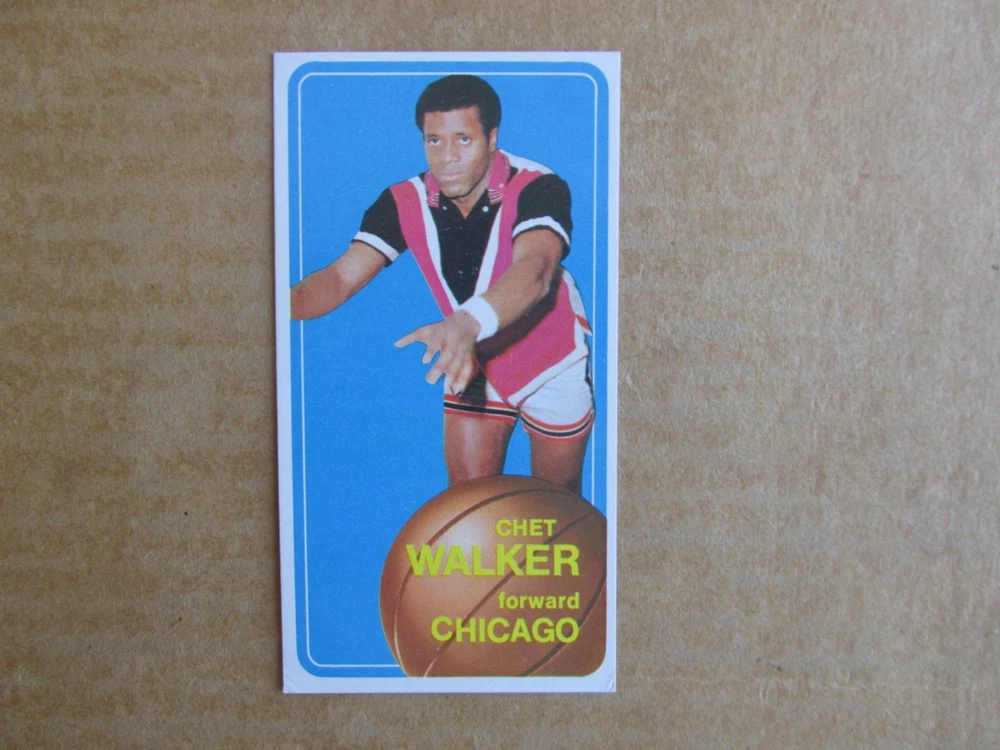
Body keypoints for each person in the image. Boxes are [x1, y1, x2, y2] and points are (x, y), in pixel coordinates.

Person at [290, 75, 594, 494]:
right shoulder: (403, 200)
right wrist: (271, 306)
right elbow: (340, 278)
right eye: (434, 141)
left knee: (556, 508)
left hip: (549, 358)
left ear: (491, 138)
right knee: (465, 507)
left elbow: (537, 269)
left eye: (463, 140)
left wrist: (466, 323)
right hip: (472, 356)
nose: (447, 157)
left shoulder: (539, 185)